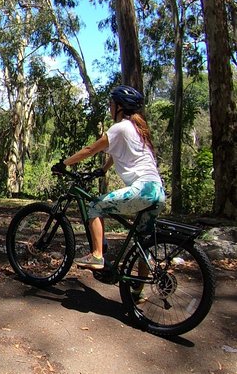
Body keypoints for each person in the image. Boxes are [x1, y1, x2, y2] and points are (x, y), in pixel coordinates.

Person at [52, 85, 166, 270]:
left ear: (119, 106)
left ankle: (97, 256)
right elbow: (117, 153)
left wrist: (64, 163)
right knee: (142, 241)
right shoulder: (137, 129)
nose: (110, 107)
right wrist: (103, 169)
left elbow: (90, 150)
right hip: (157, 192)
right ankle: (137, 291)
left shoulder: (119, 128)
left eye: (111, 103)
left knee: (95, 206)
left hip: (143, 190)